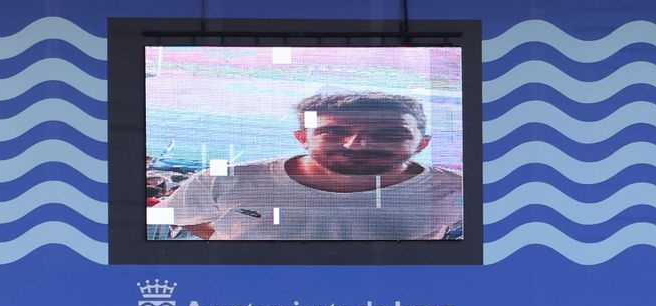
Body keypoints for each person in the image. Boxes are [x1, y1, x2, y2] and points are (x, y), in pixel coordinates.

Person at [158, 91, 463, 241]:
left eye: (390, 134)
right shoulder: (221, 179)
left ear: (423, 144)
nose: (356, 145)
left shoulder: (459, 190)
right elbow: (178, 218)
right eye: (333, 132)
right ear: (302, 138)